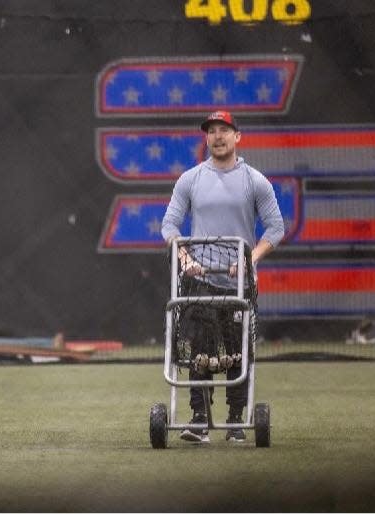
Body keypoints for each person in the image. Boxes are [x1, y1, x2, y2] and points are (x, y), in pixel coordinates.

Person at [160, 110, 284, 443]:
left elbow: (276, 228)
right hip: (201, 282)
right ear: (206, 138)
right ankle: (199, 421)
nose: (217, 136)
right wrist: (185, 259)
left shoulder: (254, 180)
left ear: (237, 137)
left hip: (240, 285)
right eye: (212, 131)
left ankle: (234, 422)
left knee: (237, 352)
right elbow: (169, 226)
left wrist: (249, 259)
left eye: (224, 130)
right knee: (199, 352)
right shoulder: (190, 179)